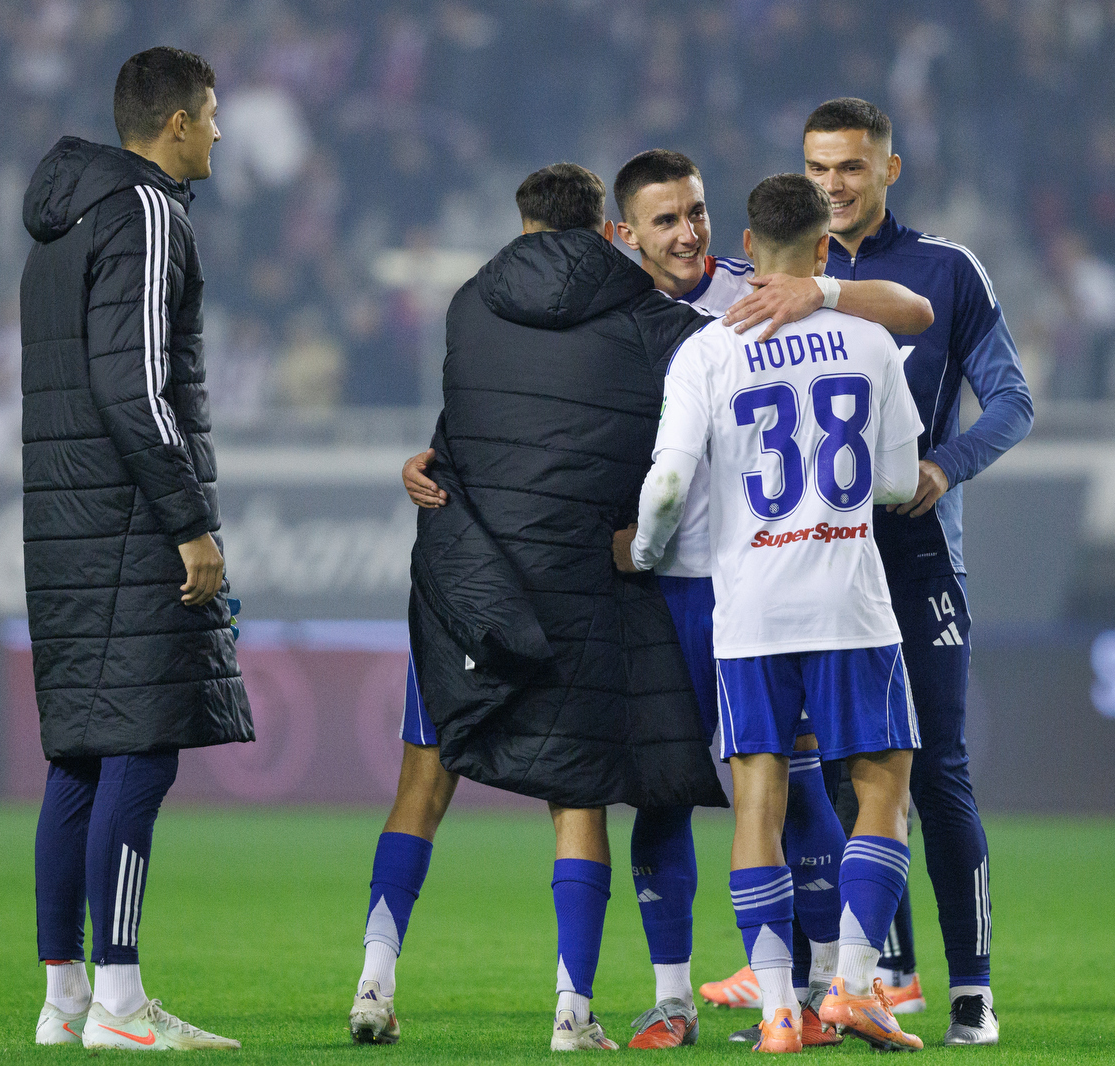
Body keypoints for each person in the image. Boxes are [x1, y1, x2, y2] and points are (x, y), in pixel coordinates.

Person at [349, 163, 726, 1051]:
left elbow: (471, 431)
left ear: (523, 227)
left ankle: (373, 983)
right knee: (578, 797)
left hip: (469, 585)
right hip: (579, 591)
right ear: (607, 232)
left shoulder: (467, 308)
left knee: (420, 786)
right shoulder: (663, 327)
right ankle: (572, 1011)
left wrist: (429, 464)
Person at [606, 148, 933, 1049]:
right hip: (848, 602)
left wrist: (651, 550)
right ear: (825, 254)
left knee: (755, 804)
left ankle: (782, 1008)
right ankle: (855, 984)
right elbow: (902, 481)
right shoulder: (869, 343)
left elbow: (668, 485)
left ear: (748, 244)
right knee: (879, 789)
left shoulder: (706, 351)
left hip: (745, 612)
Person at [21, 47, 250, 1051]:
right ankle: (120, 1002)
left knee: (79, 756)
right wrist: (189, 521)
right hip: (131, 526)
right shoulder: (149, 211)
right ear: (172, 126)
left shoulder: (59, 226)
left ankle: (64, 995)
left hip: (63, 523)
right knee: (141, 754)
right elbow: (138, 385)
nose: (217, 132)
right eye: (209, 115)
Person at [803, 97, 1036, 1046]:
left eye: (850, 168)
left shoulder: (946, 270)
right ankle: (880, 976)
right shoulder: (786, 272)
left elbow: (1013, 401)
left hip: (919, 558)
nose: (832, 187)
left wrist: (944, 466)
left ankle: (972, 990)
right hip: (819, 564)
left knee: (937, 768)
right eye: (817, 170)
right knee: (845, 775)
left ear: (888, 170)